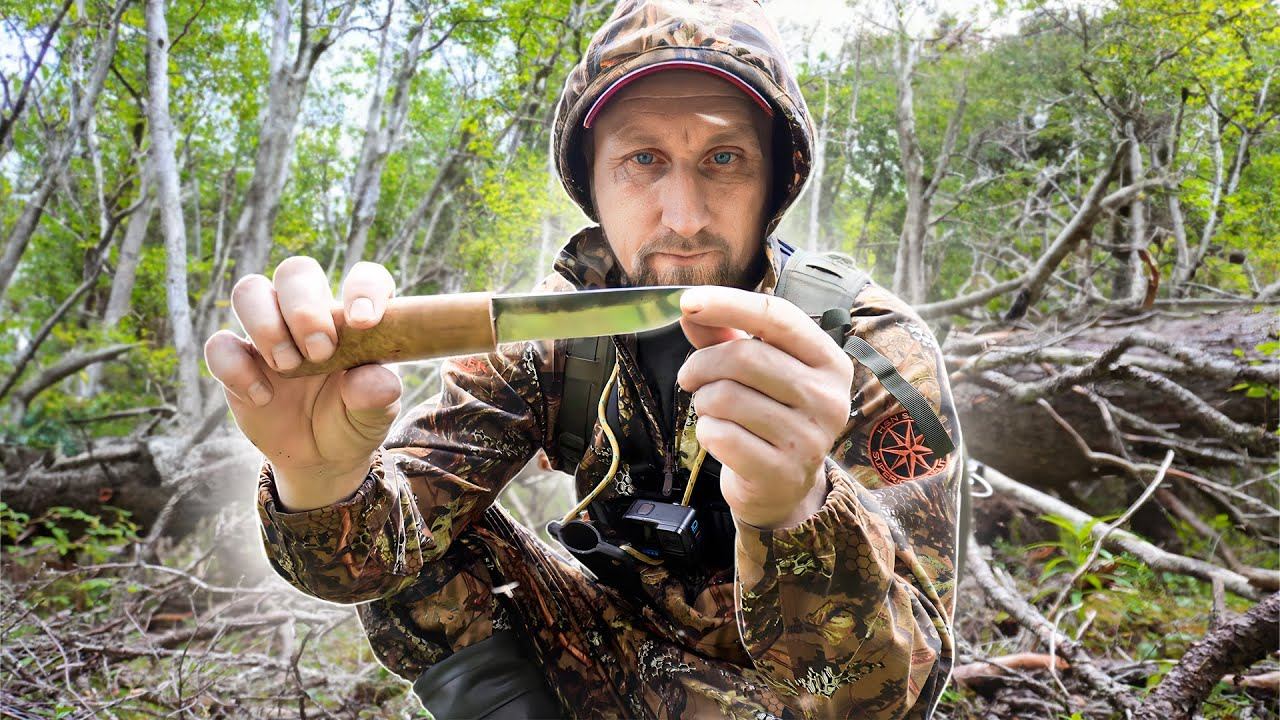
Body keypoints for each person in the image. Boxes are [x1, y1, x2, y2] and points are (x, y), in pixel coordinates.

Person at [204, 0, 963, 717]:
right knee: (427, 546)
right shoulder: (552, 337)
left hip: (790, 696)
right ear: (591, 182)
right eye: (642, 158)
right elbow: (378, 563)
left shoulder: (865, 350)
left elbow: (898, 695)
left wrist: (798, 510)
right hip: (612, 667)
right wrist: (320, 480)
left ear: (773, 181)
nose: (684, 217)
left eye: (724, 157)